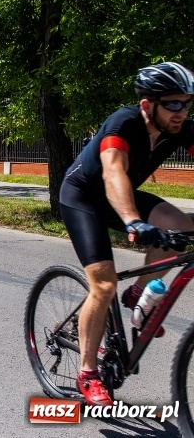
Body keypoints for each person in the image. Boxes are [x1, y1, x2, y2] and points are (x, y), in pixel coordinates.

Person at [60, 62, 194, 407]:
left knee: (183, 228)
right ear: (148, 104)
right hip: (83, 198)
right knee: (104, 285)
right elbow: (113, 172)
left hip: (123, 197)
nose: (181, 111)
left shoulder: (180, 128)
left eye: (187, 103)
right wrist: (133, 221)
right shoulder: (123, 123)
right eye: (173, 103)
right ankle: (88, 373)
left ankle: (138, 293)